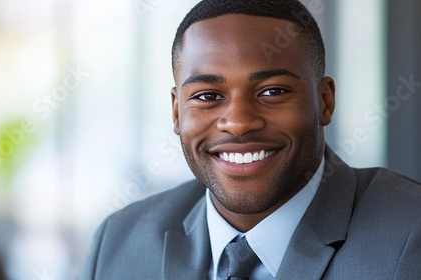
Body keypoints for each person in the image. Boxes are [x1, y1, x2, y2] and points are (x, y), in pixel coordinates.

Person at [77, 0, 421, 279]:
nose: (239, 123)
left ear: (325, 101)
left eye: (272, 91)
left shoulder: (410, 232)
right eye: (208, 96)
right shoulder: (119, 240)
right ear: (177, 113)